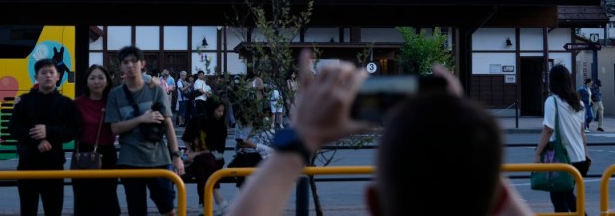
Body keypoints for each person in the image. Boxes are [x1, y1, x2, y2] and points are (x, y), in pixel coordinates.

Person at [227, 50, 533, 216]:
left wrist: (303, 136)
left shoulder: (376, 199)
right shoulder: (491, 188)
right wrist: (462, 132)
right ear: (497, 195)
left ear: (373, 202)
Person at [106, 46, 185, 216]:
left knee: (168, 210)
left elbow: (168, 125)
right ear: (121, 67)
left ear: (142, 64)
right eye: (125, 62)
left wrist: (176, 156)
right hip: (130, 161)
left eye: (134, 61)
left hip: (159, 159)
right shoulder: (115, 95)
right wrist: (141, 119)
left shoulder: (155, 90)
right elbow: (114, 128)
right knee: (136, 210)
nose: (130, 65)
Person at [8, 58, 80, 216]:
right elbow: (13, 129)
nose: (48, 76)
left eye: (51, 72)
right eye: (43, 72)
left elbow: (74, 131)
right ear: (36, 76)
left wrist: (49, 132)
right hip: (27, 164)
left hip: (54, 165)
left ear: (58, 76)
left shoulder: (66, 103)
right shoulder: (24, 101)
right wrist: (37, 140)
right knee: (27, 210)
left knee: (53, 210)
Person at [535, 64, 591, 213]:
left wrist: (537, 153)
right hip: (578, 158)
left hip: (563, 159)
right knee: (567, 196)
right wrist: (586, 153)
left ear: (552, 82)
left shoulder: (552, 101)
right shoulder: (578, 103)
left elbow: (548, 130)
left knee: (559, 199)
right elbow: (581, 132)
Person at [72, 64, 119, 216]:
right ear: (86, 81)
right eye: (92, 78)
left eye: (100, 77)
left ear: (107, 80)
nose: (96, 81)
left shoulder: (113, 101)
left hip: (108, 155)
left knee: (107, 200)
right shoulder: (76, 103)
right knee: (83, 200)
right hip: (83, 154)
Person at [182, 99, 229, 215]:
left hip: (214, 160)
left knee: (206, 162)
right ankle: (218, 201)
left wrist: (195, 154)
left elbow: (217, 151)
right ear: (212, 110)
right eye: (219, 111)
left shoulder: (221, 127)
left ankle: (203, 205)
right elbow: (185, 138)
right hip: (196, 162)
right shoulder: (197, 121)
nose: (221, 114)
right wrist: (191, 151)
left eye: (223, 111)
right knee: (205, 164)